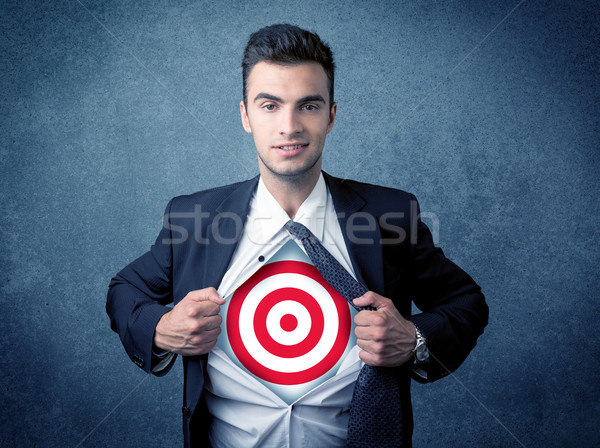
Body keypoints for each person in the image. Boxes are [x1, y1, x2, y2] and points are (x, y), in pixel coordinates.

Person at [107, 23, 488, 448]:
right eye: (270, 106)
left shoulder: (391, 215)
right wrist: (160, 327)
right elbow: (124, 291)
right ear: (246, 116)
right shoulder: (193, 218)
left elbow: (466, 302)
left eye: (308, 105)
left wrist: (414, 340)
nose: (289, 126)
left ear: (331, 115)